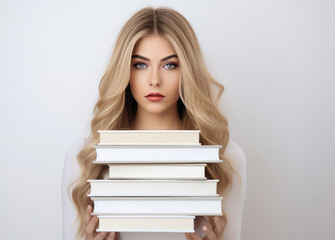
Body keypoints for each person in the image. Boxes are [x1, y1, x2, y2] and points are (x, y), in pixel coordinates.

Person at [62, 6, 246, 240]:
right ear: (124, 70)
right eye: (140, 65)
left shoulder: (226, 159)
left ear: (187, 70)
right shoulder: (84, 158)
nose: (155, 80)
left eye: (170, 65)